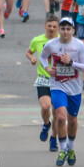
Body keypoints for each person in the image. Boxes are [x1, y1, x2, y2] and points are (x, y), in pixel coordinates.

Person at [40, 16, 84, 167]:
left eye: (68, 29)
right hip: (57, 86)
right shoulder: (51, 44)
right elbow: (43, 57)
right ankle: (62, 149)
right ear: (59, 30)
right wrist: (48, 69)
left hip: (74, 88)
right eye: (63, 29)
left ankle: (71, 148)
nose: (65, 32)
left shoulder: (79, 45)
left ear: (73, 30)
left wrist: (71, 63)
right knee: (61, 117)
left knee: (73, 120)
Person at [26, 15, 60, 153]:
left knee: (57, 112)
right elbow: (28, 52)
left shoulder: (61, 41)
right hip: (43, 79)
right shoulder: (37, 40)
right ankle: (46, 124)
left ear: (58, 28)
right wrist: (32, 58)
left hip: (58, 81)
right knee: (46, 107)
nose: (51, 29)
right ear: (45, 26)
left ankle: (53, 139)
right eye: (49, 26)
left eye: (54, 27)